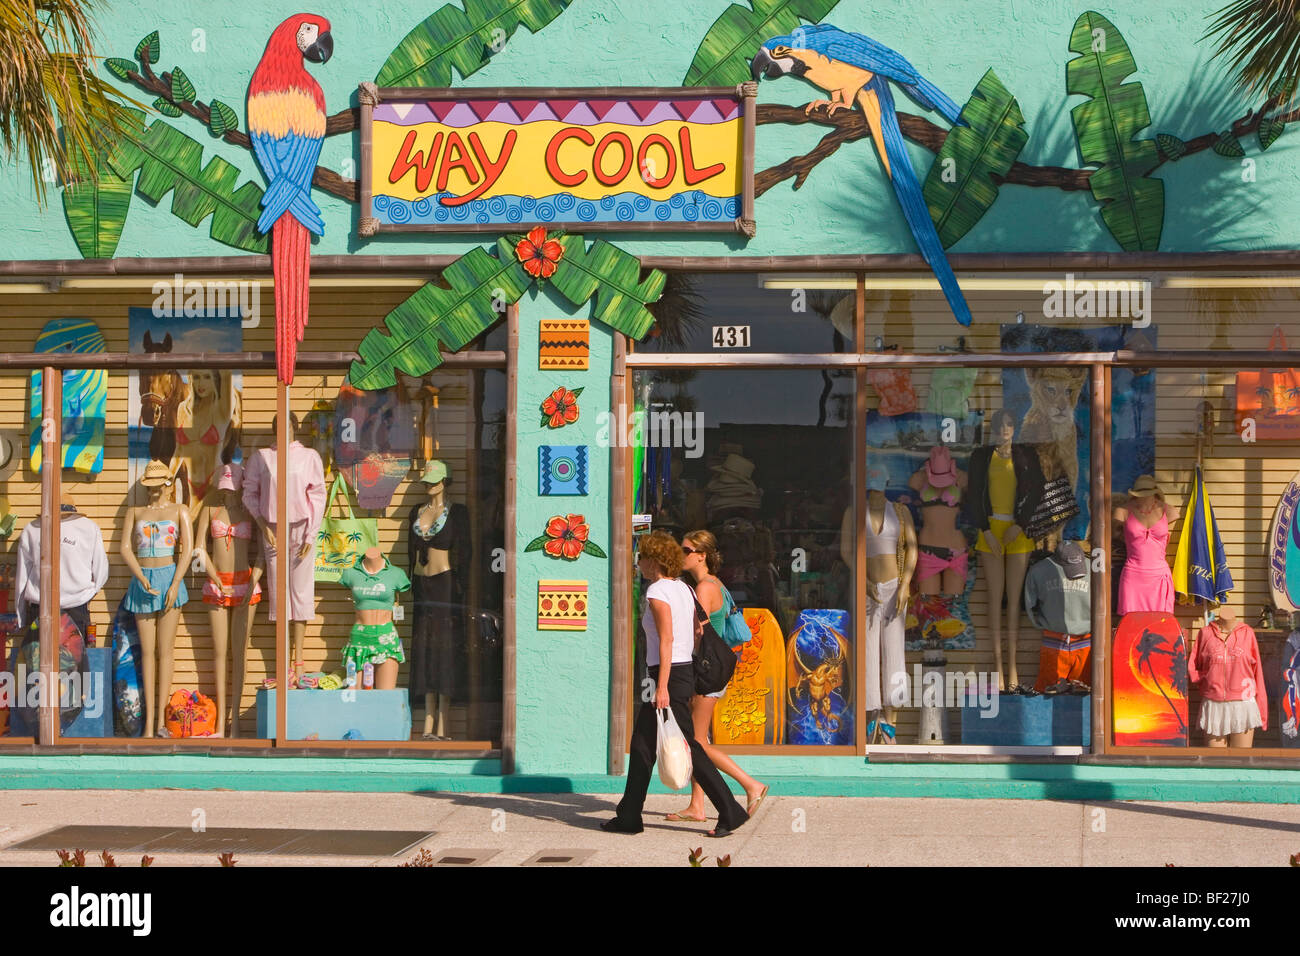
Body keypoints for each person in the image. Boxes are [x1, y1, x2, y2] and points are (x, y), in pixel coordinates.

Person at [603, 531, 749, 838]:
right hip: (682, 672)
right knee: (642, 746)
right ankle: (629, 815)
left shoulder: (657, 591)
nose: (638, 562)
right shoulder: (684, 589)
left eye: (641, 557)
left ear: (654, 560)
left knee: (691, 747)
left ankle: (730, 810)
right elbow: (697, 632)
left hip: (667, 676)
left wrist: (662, 686)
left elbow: (666, 639)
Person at [665, 530, 769, 823]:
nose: (681, 554)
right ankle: (697, 805)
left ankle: (751, 784)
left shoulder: (704, 589)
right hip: (715, 671)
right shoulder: (716, 585)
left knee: (696, 743)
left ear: (701, 555)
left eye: (686, 550)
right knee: (700, 738)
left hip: (706, 672)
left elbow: (696, 632)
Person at [243, 412, 326, 681]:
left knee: (301, 593)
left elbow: (317, 495)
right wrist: (262, 524)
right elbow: (249, 492)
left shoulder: (309, 456)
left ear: (295, 427)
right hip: (272, 528)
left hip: (302, 528)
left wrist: (311, 534)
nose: (283, 429)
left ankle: (299, 661)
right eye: (278, 425)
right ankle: (282, 663)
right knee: (279, 596)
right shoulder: (262, 457)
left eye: (288, 425)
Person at [966, 408, 1043, 691]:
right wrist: (986, 530)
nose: (1006, 429)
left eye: (1010, 423)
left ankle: (1013, 668)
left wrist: (1020, 524)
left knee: (1014, 602)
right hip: (990, 531)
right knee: (994, 599)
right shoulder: (981, 456)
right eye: (1001, 425)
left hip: (1017, 532)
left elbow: (1036, 492)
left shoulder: (1026, 455)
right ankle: (997, 668)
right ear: (994, 428)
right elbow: (973, 494)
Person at [1188, 603, 1266, 748]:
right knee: (1215, 762)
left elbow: (1258, 672)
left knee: (1241, 761)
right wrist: (1207, 682)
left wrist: (1262, 709)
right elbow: (1194, 666)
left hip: (1243, 704)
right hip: (1214, 704)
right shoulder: (1205, 633)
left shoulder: (1247, 633)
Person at [339, 546, 411, 691]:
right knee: (354, 694)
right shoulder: (350, 573)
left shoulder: (396, 574)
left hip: (386, 637)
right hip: (359, 638)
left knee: (385, 695)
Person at [1113, 475, 1179, 616]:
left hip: (1159, 576)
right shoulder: (1123, 511)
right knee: (1131, 625)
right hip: (1133, 575)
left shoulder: (1169, 511)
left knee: (1160, 625)